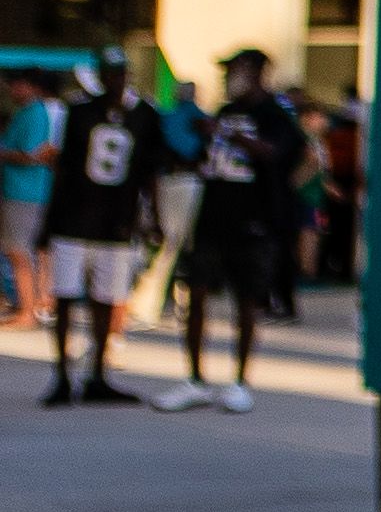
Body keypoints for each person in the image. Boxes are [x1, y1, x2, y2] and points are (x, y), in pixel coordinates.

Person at [155, 47, 306, 414]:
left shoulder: (275, 114)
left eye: (234, 70)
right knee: (197, 293)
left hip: (254, 221)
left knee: (247, 301)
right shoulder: (225, 112)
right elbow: (206, 155)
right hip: (213, 217)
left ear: (255, 72)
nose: (227, 78)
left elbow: (274, 152)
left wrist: (224, 132)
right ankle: (196, 379)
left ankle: (239, 381)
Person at [39, 58, 152, 407]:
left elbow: (148, 170)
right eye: (109, 74)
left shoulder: (143, 115)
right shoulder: (80, 112)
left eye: (119, 74)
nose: (114, 80)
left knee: (107, 300)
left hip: (116, 222)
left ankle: (98, 374)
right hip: (74, 221)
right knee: (66, 297)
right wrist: (51, 220)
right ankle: (62, 374)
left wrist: (146, 217)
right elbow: (63, 166)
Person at [2, 72, 53, 328]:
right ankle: (33, 304)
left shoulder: (34, 113)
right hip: (23, 191)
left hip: (24, 192)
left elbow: (31, 155)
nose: (12, 90)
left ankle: (27, 311)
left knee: (19, 251)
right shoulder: (29, 112)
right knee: (27, 251)